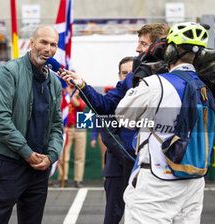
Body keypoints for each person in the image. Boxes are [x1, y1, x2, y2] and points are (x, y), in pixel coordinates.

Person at [115, 22, 212, 224]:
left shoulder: (155, 83)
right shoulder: (205, 87)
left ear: (169, 51)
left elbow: (122, 115)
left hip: (156, 179)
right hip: (194, 179)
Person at [60, 23, 170, 189]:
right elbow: (104, 105)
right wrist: (82, 85)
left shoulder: (176, 78)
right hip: (136, 160)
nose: (137, 49)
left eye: (143, 44)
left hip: (167, 161)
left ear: (159, 47)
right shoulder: (131, 78)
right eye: (138, 42)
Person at [0, 25, 63, 224]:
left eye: (53, 44)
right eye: (43, 42)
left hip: (39, 168)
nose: (48, 48)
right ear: (32, 43)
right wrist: (28, 154)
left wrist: (51, 156)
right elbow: (0, 120)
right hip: (10, 162)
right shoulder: (9, 71)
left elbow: (56, 124)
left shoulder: (54, 80)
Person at [100, 56, 133, 224]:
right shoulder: (111, 100)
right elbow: (108, 136)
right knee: (113, 216)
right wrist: (130, 159)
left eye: (132, 73)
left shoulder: (149, 96)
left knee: (141, 217)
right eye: (124, 73)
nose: (128, 76)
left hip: (143, 168)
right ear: (119, 75)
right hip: (118, 168)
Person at [57, 85, 87, 188]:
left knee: (79, 156)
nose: (73, 89)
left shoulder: (80, 98)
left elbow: (79, 105)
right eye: (71, 87)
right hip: (67, 128)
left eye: (75, 87)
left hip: (80, 128)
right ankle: (63, 178)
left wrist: (71, 94)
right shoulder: (64, 98)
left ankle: (78, 180)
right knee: (63, 156)